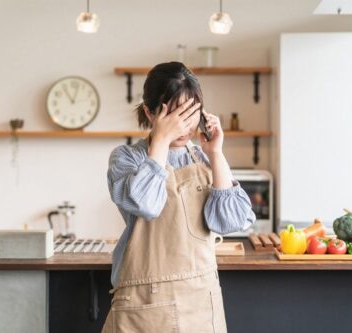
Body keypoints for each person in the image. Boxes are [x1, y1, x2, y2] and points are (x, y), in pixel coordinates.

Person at [102, 62, 255, 333]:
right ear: (150, 112)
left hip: (201, 300)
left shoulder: (203, 156)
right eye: (175, 115)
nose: (184, 126)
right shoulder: (127, 158)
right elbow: (147, 205)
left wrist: (216, 153)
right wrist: (160, 140)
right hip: (145, 303)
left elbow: (230, 221)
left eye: (191, 113)